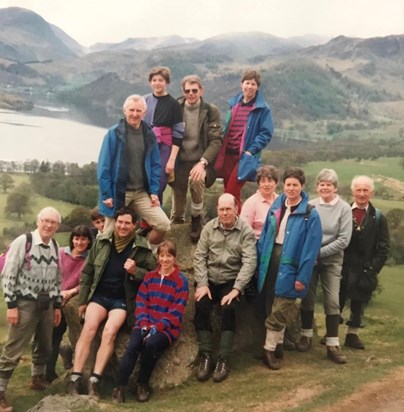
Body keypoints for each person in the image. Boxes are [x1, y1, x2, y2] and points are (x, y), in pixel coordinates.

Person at [68, 207, 156, 401]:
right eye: (120, 222)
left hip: (122, 300)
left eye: (127, 223)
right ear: (115, 222)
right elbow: (87, 272)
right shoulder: (101, 241)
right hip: (99, 296)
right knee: (89, 329)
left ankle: (94, 381)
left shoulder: (142, 247)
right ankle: (75, 378)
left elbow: (153, 274)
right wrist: (83, 301)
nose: (123, 226)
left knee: (109, 332)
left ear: (134, 225)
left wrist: (136, 272)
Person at [257, 167, 322, 370]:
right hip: (271, 261)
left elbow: (311, 251)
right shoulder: (277, 206)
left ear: (302, 187)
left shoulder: (310, 214)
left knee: (282, 306)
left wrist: (302, 277)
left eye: (295, 185)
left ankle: (267, 350)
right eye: (288, 184)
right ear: (283, 186)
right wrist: (260, 264)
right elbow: (265, 236)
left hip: (292, 264)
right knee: (270, 303)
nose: (291, 188)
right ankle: (278, 346)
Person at [0, 207, 62, 412]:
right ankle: (0, 392)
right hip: (24, 303)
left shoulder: (54, 245)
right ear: (38, 221)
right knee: (14, 348)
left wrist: (57, 305)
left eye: (53, 222)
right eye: (45, 221)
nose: (48, 225)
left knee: (45, 344)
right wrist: (11, 305)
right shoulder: (23, 242)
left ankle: (37, 378)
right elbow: (8, 274)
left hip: (47, 304)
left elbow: (57, 278)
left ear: (57, 226)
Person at [112, 240, 189, 403]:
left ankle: (142, 384)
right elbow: (141, 302)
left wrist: (156, 327)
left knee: (151, 345)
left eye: (169, 256)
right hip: (144, 323)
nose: (165, 259)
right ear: (157, 257)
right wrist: (145, 323)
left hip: (166, 329)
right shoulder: (149, 277)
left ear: (174, 258)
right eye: (162, 255)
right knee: (133, 346)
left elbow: (176, 312)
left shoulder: (181, 281)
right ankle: (119, 387)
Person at [193, 193, 256, 383]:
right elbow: (199, 257)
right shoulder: (208, 228)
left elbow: (250, 262)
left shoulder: (246, 231)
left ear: (236, 209)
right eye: (221, 209)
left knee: (229, 309)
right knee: (201, 306)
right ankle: (205, 355)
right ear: (217, 209)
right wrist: (202, 284)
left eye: (228, 209)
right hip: (210, 279)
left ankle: (223, 359)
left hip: (232, 279)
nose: (225, 213)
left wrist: (237, 289)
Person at [97, 94, 171, 251]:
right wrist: (106, 194)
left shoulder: (149, 134)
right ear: (124, 111)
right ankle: (99, 267)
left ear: (144, 113)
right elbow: (104, 166)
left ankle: (141, 251)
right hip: (118, 192)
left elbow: (156, 165)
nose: (135, 114)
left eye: (139, 111)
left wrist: (154, 192)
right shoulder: (114, 133)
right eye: (131, 110)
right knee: (108, 236)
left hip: (141, 193)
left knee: (163, 224)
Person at [295, 169, 352, 364]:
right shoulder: (310, 205)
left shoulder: (344, 208)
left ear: (335, 188)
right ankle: (306, 336)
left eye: (329, 184)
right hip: (310, 260)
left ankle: (332, 344)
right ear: (317, 187)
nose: (325, 187)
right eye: (322, 184)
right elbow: (302, 232)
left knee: (332, 300)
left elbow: (344, 240)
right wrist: (310, 255)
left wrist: (319, 253)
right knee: (307, 297)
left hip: (332, 261)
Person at [339, 175, 390, 350]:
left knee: (358, 303)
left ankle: (352, 335)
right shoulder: (344, 211)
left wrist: (372, 269)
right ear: (353, 191)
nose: (361, 194)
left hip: (364, 269)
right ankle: (331, 335)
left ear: (371, 193)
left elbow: (383, 247)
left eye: (365, 190)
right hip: (343, 266)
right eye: (358, 190)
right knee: (336, 300)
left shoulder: (378, 217)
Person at [171, 74, 223, 242]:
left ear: (201, 90)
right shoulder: (176, 107)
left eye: (195, 90)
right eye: (188, 91)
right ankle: (176, 226)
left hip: (200, 160)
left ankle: (196, 219)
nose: (191, 94)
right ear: (183, 91)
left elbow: (216, 141)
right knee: (178, 199)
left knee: (196, 181)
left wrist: (203, 163)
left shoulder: (210, 111)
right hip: (180, 160)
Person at [215, 69, 274, 212]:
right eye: (247, 83)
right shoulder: (234, 104)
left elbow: (266, 133)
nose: (249, 87)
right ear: (242, 84)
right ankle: (237, 223)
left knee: (230, 193)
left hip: (244, 157)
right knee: (231, 193)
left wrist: (250, 150)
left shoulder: (262, 109)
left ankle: (234, 224)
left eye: (253, 84)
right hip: (228, 153)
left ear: (257, 87)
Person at [45, 225, 93, 382]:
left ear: (89, 241)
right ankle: (48, 372)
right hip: (55, 299)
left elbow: (88, 282)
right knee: (53, 336)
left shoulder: (89, 259)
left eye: (83, 239)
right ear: (72, 239)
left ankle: (72, 359)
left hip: (72, 300)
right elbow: (50, 275)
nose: (79, 242)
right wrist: (57, 294)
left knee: (79, 334)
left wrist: (71, 292)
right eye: (77, 238)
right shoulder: (61, 254)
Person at [144, 66, 185, 203]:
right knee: (146, 182)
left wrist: (172, 160)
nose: (157, 83)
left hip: (165, 148)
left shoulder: (173, 104)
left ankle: (153, 221)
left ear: (166, 82)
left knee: (158, 183)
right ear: (150, 82)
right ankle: (152, 223)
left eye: (160, 80)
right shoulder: (145, 100)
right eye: (154, 80)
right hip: (146, 145)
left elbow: (178, 133)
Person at [240, 165, 279, 240]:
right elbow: (244, 232)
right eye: (263, 181)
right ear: (259, 184)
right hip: (257, 244)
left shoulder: (281, 201)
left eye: (270, 181)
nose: (266, 184)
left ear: (276, 183)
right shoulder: (250, 203)